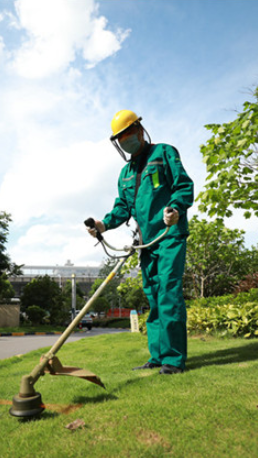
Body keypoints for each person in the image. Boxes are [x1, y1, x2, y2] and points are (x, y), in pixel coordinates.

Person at [87, 110, 194, 374]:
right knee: (153, 298)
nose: (124, 140)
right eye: (119, 137)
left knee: (168, 293)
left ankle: (173, 359)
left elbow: (183, 186)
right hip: (146, 244)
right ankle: (157, 356)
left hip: (169, 235)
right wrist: (102, 225)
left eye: (127, 133)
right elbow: (122, 207)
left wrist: (176, 208)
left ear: (139, 130)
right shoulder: (125, 173)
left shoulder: (165, 153)